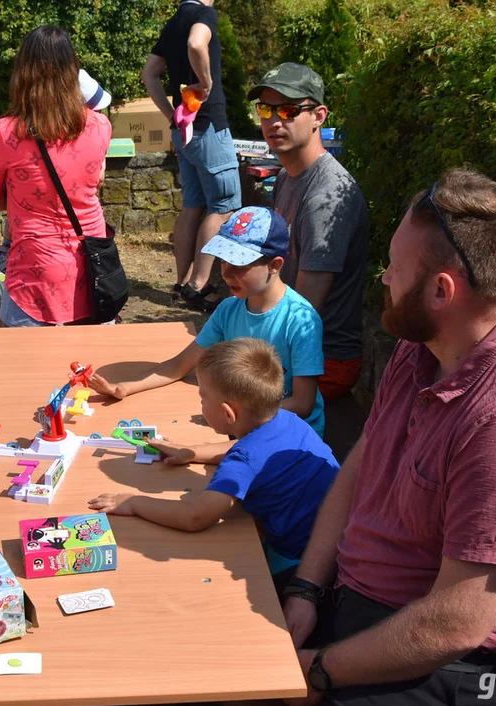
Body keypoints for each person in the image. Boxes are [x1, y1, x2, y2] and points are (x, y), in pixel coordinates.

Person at [262, 168, 496, 706]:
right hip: (371, 603)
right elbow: (362, 467)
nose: (383, 277)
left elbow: (458, 621)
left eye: (394, 267)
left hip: (470, 664)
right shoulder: (428, 345)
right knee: (219, 645)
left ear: (442, 290)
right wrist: (306, 589)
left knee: (269, 696)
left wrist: (321, 668)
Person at [89, 338, 339, 589]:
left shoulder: (242, 463)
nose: (200, 403)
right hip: (339, 532)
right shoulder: (287, 419)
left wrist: (133, 502)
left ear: (228, 414)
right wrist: (194, 452)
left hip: (306, 560)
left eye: (203, 397)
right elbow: (254, 447)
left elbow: (195, 517)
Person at [89, 207, 327, 441]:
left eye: (240, 265)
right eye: (223, 261)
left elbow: (302, 404)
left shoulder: (301, 320)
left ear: (275, 265)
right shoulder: (228, 309)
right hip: (241, 423)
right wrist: (124, 387)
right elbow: (179, 365)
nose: (226, 273)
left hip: (291, 436)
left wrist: (239, 419)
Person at [0, 25, 112, 327]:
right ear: (72, 68)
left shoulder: (7, 132)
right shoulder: (101, 126)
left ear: (23, 71)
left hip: (34, 271)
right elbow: (93, 179)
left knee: (28, 368)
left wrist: (20, 197)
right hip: (92, 267)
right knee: (88, 368)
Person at [249, 63, 369, 402]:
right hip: (293, 347)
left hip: (321, 361)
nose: (273, 121)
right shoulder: (287, 178)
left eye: (287, 110)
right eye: (265, 109)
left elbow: (306, 309)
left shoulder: (326, 196)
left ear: (318, 116)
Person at [144, 0, 242, 313]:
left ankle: (182, 283)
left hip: (184, 130)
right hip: (209, 126)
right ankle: (199, 286)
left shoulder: (173, 21)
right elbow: (196, 42)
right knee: (224, 205)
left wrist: (171, 114)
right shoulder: (204, 14)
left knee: (192, 206)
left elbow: (150, 74)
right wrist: (207, 81)